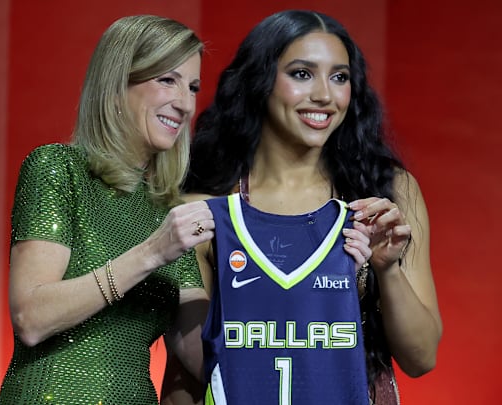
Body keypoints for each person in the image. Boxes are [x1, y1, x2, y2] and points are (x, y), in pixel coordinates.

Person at [166, 9, 443, 405]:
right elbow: (189, 372)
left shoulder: (388, 193)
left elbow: (421, 358)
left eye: (339, 77)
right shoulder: (205, 211)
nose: (325, 96)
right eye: (301, 74)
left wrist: (387, 268)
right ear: (259, 82)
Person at [0, 15, 215, 405]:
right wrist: (151, 253)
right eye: (167, 79)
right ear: (117, 84)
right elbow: (31, 318)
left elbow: (206, 361)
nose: (184, 103)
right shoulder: (57, 168)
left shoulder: (165, 213)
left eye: (193, 86)